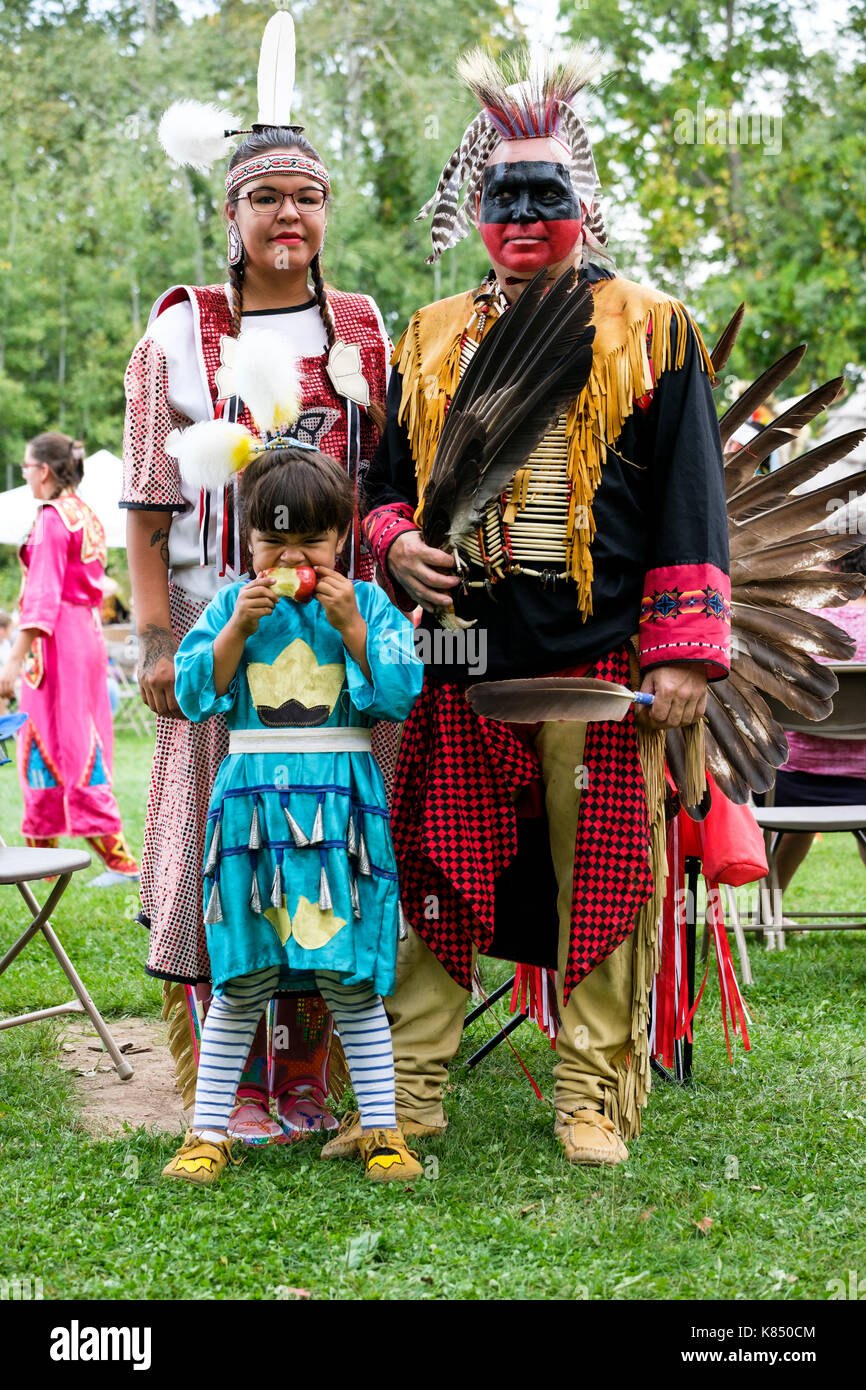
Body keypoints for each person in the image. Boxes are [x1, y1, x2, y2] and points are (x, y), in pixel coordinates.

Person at [356, 47, 731, 1167]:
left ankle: (588, 1096)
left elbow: (689, 496)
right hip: (460, 653)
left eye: (545, 198)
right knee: (433, 861)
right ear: (475, 213)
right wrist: (397, 544)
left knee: (605, 880)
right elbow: (380, 492)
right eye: (502, 200)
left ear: (582, 207)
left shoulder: (653, 327)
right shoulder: (425, 339)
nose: (523, 219)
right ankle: (409, 1092)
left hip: (599, 662)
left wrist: (679, 654)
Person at [121, 9, 393, 1142]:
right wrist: (150, 638)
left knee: (324, 843)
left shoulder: (365, 329)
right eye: (267, 197)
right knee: (217, 849)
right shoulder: (183, 330)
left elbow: (385, 487)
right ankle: (221, 1076)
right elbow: (147, 496)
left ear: (326, 213)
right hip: (214, 628)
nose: (290, 215)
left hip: (331, 636)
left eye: (307, 197)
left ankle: (308, 1073)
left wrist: (367, 608)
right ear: (230, 212)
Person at [161, 435, 423, 1184]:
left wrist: (351, 629)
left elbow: (398, 695)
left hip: (340, 818)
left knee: (348, 978)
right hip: (251, 819)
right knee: (242, 975)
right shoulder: (227, 609)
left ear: (343, 537)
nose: (292, 557)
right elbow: (192, 695)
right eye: (273, 540)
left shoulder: (368, 604)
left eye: (312, 540)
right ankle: (208, 1132)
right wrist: (238, 629)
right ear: (247, 540)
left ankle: (383, 1129)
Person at [0, 433, 139, 887]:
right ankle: (52, 859)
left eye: (25, 466)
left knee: (53, 744)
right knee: (79, 742)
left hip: (56, 643)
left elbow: (40, 599)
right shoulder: (87, 515)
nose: (24, 474)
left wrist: (10, 664)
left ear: (42, 470)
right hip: (85, 638)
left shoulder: (49, 521)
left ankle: (114, 862)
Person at [769, 543, 866, 890]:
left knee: (802, 820)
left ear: (833, 566)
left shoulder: (800, 622)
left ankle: (770, 912)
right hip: (863, 785)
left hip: (793, 788)